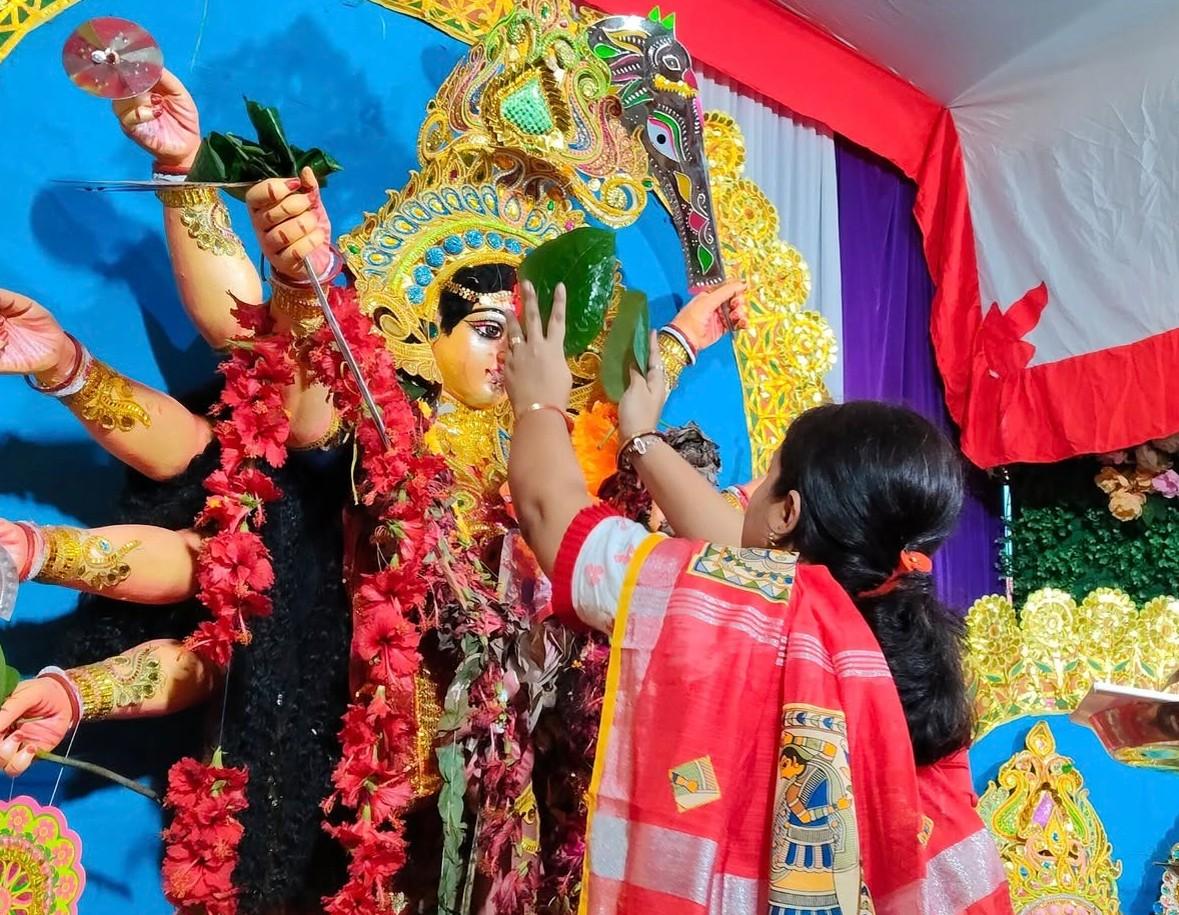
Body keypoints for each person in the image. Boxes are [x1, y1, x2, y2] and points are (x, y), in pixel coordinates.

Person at [502, 282, 1014, 914]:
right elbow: (747, 554)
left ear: (787, 512)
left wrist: (537, 403)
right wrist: (639, 436)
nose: (744, 492)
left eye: (764, 475)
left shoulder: (742, 610)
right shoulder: (894, 620)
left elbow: (551, 512)